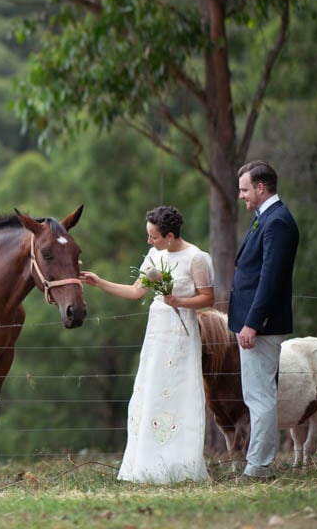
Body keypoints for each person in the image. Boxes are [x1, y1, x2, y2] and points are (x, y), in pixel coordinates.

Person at [80, 205, 214, 484]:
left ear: (170, 235)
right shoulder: (155, 255)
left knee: (178, 393)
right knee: (151, 391)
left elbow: (207, 298)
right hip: (157, 333)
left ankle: (181, 466)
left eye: (153, 237)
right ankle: (148, 464)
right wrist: (99, 282)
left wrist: (180, 302)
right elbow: (136, 291)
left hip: (181, 334)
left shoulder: (195, 258)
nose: (149, 242)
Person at [229, 159, 299, 481]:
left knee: (260, 396)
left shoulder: (278, 222)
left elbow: (270, 279)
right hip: (253, 323)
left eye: (245, 189)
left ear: (260, 187)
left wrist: (253, 322)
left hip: (262, 326)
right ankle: (258, 464)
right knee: (255, 395)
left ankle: (258, 467)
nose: (241, 195)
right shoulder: (265, 218)